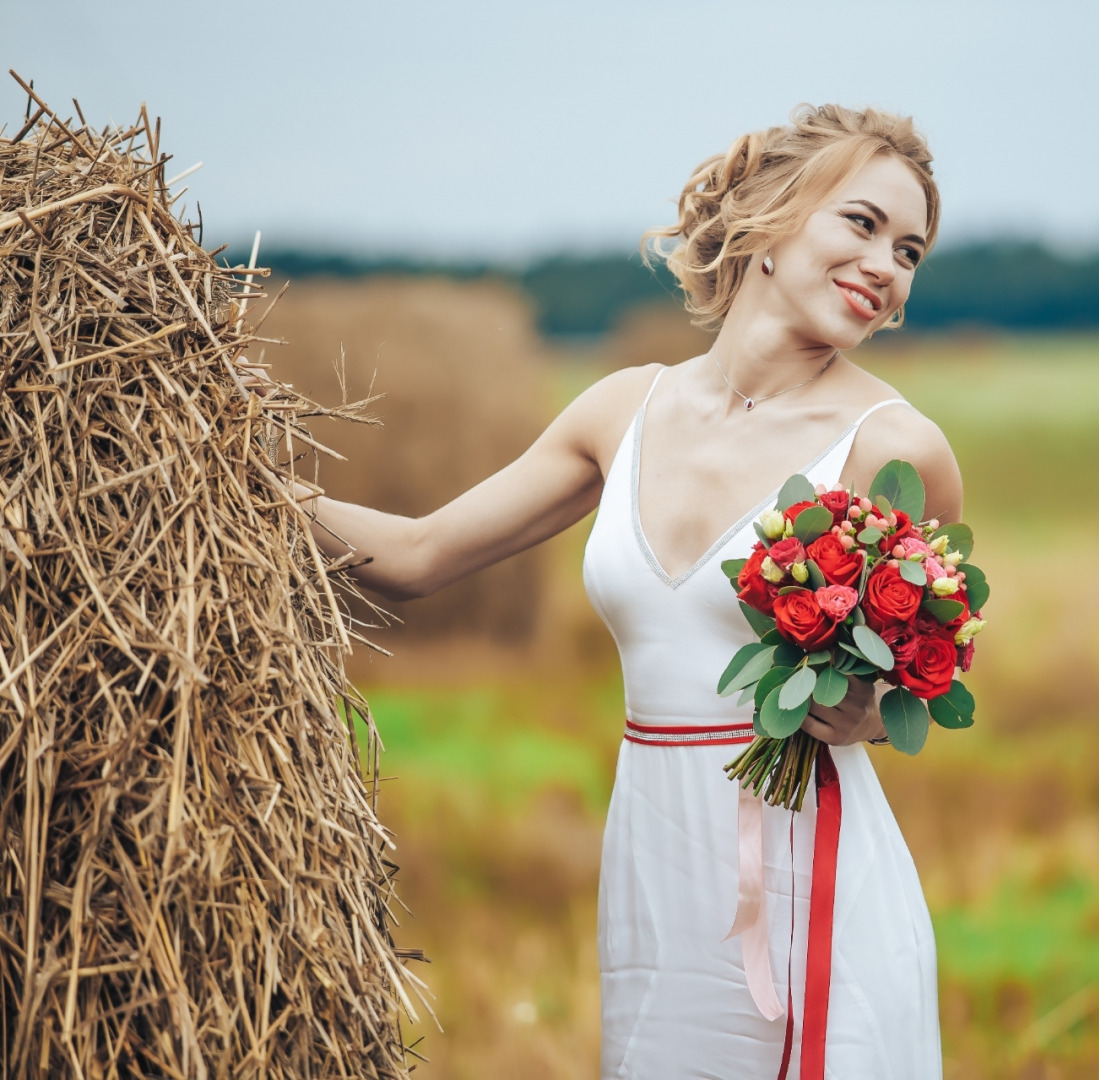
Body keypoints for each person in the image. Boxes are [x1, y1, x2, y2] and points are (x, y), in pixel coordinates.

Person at [283, 104, 958, 1079]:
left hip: (808, 864)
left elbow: (913, 683)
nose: (886, 265)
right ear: (769, 216)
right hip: (654, 850)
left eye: (910, 251)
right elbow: (417, 554)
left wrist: (864, 710)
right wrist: (223, 476)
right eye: (860, 223)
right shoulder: (621, 409)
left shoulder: (895, 448)